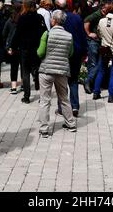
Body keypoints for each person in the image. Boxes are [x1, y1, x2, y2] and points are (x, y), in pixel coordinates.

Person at [37, 10, 77, 138]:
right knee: (64, 98)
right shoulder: (69, 36)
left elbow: (40, 53)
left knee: (45, 100)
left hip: (46, 70)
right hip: (62, 71)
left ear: (53, 20)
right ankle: (70, 123)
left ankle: (44, 129)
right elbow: (70, 53)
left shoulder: (47, 34)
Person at [55, 0, 87, 117]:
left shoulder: (56, 19)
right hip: (76, 53)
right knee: (73, 81)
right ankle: (74, 106)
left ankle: (61, 107)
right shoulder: (76, 18)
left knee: (61, 81)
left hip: (61, 53)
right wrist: (84, 52)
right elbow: (82, 36)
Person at [12, 0, 47, 104]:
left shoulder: (22, 18)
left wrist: (13, 47)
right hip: (37, 48)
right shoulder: (39, 17)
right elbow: (44, 32)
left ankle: (26, 96)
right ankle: (42, 96)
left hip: (25, 49)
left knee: (25, 72)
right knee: (38, 70)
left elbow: (17, 34)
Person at [93, 5, 113, 103]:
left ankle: (96, 93)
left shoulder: (101, 21)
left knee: (101, 71)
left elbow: (99, 34)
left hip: (105, 50)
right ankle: (111, 96)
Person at [83, 2, 113, 94]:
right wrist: (89, 33)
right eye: (108, 8)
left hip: (100, 42)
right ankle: (88, 82)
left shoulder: (105, 15)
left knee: (97, 62)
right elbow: (86, 21)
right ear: (103, 8)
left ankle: (90, 82)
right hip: (93, 41)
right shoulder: (97, 14)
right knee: (94, 63)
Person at [3, 3, 23, 94]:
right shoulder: (23, 19)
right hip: (22, 47)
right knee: (24, 67)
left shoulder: (9, 21)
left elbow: (4, 34)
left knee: (14, 67)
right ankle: (23, 85)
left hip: (12, 47)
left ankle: (14, 87)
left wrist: (7, 46)